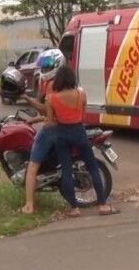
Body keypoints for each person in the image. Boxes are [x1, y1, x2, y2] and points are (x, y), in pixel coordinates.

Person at [47, 65, 118, 217]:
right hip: (79, 132)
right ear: (72, 78)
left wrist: (61, 118)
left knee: (66, 170)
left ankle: (74, 209)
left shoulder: (52, 98)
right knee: (93, 168)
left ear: (58, 80)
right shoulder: (82, 95)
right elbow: (82, 116)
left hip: (61, 134)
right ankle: (103, 206)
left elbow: (50, 122)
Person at [19, 48, 64, 215]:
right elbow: (54, 112)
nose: (45, 68)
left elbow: (46, 110)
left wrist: (27, 99)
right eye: (43, 65)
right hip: (61, 127)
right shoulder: (64, 82)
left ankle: (29, 206)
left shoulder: (53, 85)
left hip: (50, 130)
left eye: (48, 65)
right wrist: (34, 119)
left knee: (32, 168)